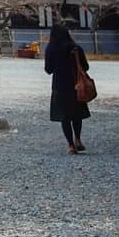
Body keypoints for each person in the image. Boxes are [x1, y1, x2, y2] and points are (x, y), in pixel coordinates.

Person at [44, 22, 90, 153]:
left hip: (59, 86)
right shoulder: (75, 48)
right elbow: (85, 67)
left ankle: (70, 145)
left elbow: (48, 70)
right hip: (76, 85)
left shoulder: (51, 48)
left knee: (64, 117)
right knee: (77, 114)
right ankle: (78, 139)